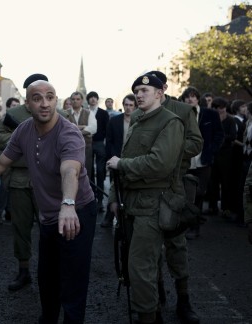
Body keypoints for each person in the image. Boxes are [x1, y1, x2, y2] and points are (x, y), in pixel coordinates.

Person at [0, 79, 97, 323]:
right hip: (50, 216)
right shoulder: (24, 130)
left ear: (56, 100)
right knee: (47, 278)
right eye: (37, 98)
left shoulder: (68, 132)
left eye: (50, 97)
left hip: (77, 212)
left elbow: (70, 170)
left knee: (73, 281)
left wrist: (68, 204)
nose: (45, 103)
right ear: (28, 104)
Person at [107, 74, 185, 324]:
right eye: (136, 91)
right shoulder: (139, 119)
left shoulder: (170, 122)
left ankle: (148, 317)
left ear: (160, 93)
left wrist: (123, 164)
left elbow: (160, 164)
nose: (139, 95)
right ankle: (152, 312)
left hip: (152, 204)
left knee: (140, 268)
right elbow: (122, 159)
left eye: (144, 90)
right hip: (130, 202)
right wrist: (112, 198)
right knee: (134, 265)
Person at [145, 70, 203, 323]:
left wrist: (169, 150)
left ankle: (184, 299)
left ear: (164, 89)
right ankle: (156, 297)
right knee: (149, 246)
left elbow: (196, 143)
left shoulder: (182, 111)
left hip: (173, 186)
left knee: (176, 245)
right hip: (146, 189)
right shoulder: (141, 112)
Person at [0, 73, 48, 291]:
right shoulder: (13, 115)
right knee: (21, 228)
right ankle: (23, 270)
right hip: (19, 179)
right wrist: (25, 136)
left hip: (47, 180)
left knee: (50, 228)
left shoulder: (56, 113)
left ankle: (49, 271)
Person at [181, 86, 224, 240]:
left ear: (198, 98)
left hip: (203, 161)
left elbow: (219, 134)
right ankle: (188, 225)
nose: (190, 99)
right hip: (185, 161)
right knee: (186, 194)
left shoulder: (210, 114)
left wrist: (211, 151)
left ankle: (194, 226)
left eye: (193, 96)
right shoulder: (180, 115)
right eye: (187, 97)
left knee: (199, 193)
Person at [100, 93, 137, 228]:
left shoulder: (139, 121)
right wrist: (110, 159)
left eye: (131, 105)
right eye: (126, 105)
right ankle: (109, 217)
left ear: (135, 107)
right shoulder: (114, 121)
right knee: (114, 189)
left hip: (133, 162)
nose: (128, 108)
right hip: (116, 161)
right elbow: (108, 142)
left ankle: (128, 218)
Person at [0, 97, 21, 224]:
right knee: (4, 188)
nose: (15, 108)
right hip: (5, 158)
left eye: (17, 105)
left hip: (19, 160)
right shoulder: (3, 121)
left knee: (16, 189)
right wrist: (16, 137)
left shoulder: (21, 121)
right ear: (8, 107)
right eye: (13, 105)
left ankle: (11, 213)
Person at [86, 91, 109, 212]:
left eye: (95, 98)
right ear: (88, 100)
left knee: (100, 171)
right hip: (88, 143)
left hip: (100, 143)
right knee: (89, 171)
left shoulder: (103, 113)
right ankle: (91, 198)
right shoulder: (85, 112)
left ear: (97, 99)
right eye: (91, 98)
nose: (93, 100)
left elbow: (107, 128)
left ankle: (100, 200)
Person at [68, 91, 97, 186]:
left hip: (86, 148)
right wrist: (83, 127)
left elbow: (93, 128)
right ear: (70, 101)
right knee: (70, 174)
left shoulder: (89, 113)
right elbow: (64, 131)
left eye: (78, 99)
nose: (75, 101)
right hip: (69, 149)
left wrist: (74, 129)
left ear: (82, 101)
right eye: (73, 99)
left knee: (86, 173)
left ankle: (86, 198)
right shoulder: (65, 114)